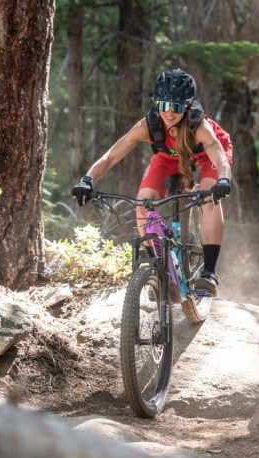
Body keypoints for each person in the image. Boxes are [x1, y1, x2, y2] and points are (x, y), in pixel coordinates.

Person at [71, 68, 233, 296]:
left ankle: (208, 272)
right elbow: (112, 156)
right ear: (156, 103)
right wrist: (87, 180)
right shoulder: (148, 124)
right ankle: (158, 267)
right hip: (169, 155)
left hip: (208, 154)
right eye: (164, 105)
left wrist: (223, 178)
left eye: (176, 107)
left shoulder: (199, 126)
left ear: (187, 106)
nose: (169, 113)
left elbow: (217, 153)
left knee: (208, 198)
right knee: (143, 203)